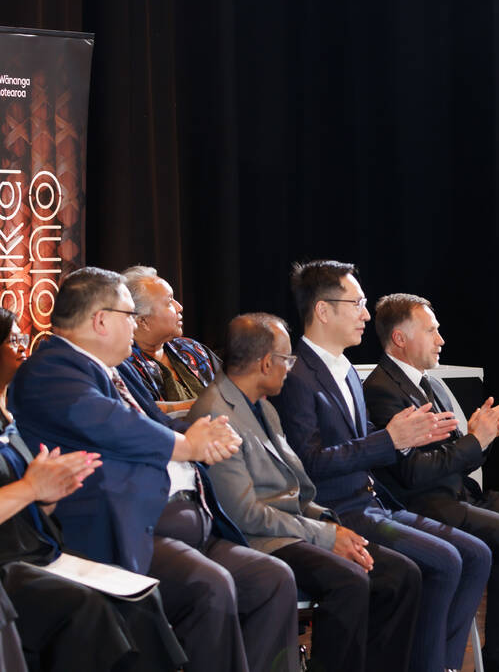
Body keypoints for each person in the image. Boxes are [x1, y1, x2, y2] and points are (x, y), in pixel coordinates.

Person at [9, 267, 299, 672]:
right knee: (210, 588)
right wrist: (186, 445)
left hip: (182, 520)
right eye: (130, 316)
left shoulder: (110, 370)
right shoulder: (49, 369)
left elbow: (155, 424)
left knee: (273, 579)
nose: (135, 326)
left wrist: (204, 433)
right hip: (124, 529)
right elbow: (111, 422)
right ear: (100, 320)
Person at [271, 261, 493, 672]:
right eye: (356, 303)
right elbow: (310, 463)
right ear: (323, 310)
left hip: (374, 503)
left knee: (476, 554)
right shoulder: (297, 376)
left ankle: (439, 662)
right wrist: (390, 439)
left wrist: (409, 436)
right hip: (340, 511)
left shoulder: (347, 371)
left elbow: (371, 442)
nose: (365, 314)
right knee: (443, 561)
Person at [189, 313, 423, 672]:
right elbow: (244, 514)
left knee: (401, 574)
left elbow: (296, 488)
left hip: (296, 526)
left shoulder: (263, 403)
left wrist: (329, 524)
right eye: (287, 359)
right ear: (267, 362)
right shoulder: (215, 415)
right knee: (349, 582)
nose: (290, 367)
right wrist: (326, 534)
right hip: (260, 540)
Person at [364, 293, 499, 672]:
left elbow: (462, 459)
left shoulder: (429, 384)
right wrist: (472, 441)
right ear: (400, 338)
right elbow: (410, 473)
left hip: (462, 493)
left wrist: (484, 436)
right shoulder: (382, 389)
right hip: (424, 503)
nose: (441, 339)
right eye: (431, 331)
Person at [0, 306, 186, 671]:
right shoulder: (50, 382)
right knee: (89, 609)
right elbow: (20, 491)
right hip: (8, 566)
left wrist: (48, 496)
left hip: (36, 550)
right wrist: (31, 487)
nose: (22, 347)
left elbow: (30, 500)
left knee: (140, 599)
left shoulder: (9, 413)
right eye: (10, 341)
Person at [118, 265, 220, 413]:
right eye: (169, 302)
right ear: (143, 321)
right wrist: (203, 405)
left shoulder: (192, 348)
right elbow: (141, 411)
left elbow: (231, 390)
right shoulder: (123, 364)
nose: (179, 307)